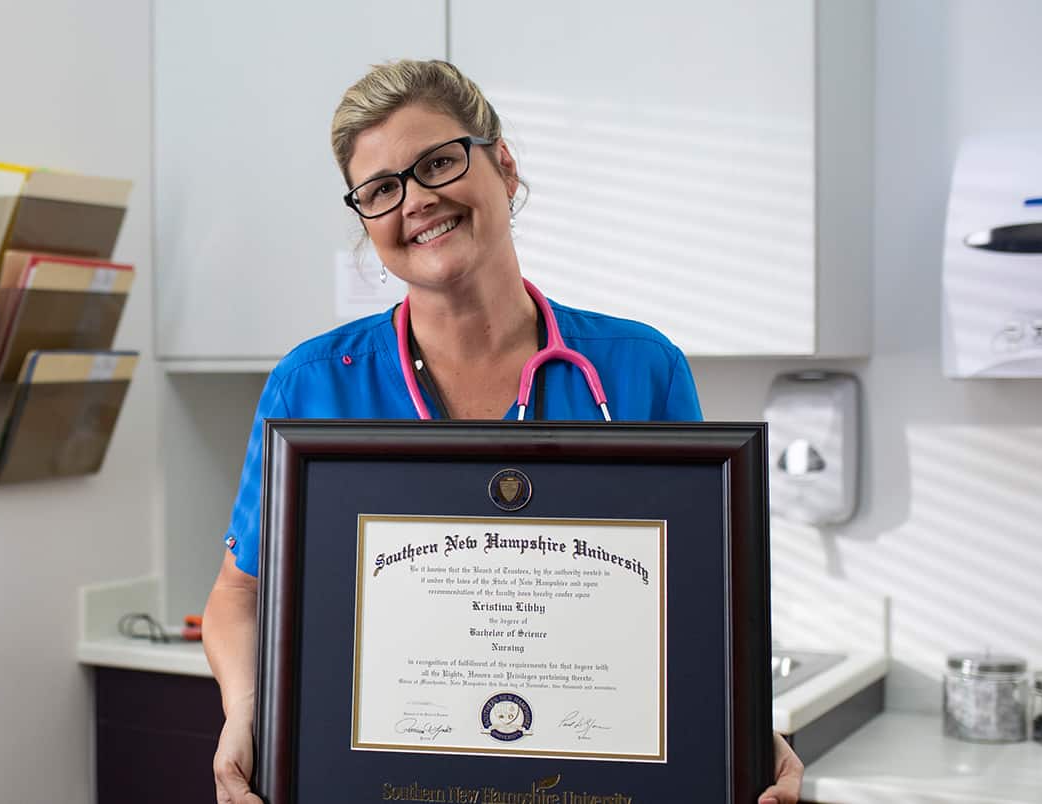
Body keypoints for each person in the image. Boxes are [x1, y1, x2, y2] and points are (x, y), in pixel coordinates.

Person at [200, 59, 804, 804]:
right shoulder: (316, 383)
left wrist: (736, 728)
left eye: (439, 163)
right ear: (366, 218)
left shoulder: (639, 368)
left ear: (504, 166)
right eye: (382, 189)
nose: (416, 202)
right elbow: (238, 595)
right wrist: (249, 713)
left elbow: (698, 604)